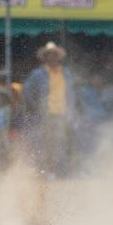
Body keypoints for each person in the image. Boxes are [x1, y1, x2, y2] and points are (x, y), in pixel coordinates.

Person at [22, 41, 76, 179]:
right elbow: (27, 90)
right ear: (45, 58)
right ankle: (47, 171)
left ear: (58, 57)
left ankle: (60, 171)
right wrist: (36, 107)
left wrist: (71, 110)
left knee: (61, 143)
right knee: (45, 143)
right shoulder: (38, 74)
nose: (52, 57)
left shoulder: (66, 73)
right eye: (49, 55)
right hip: (46, 113)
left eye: (54, 55)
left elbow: (71, 93)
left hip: (63, 113)